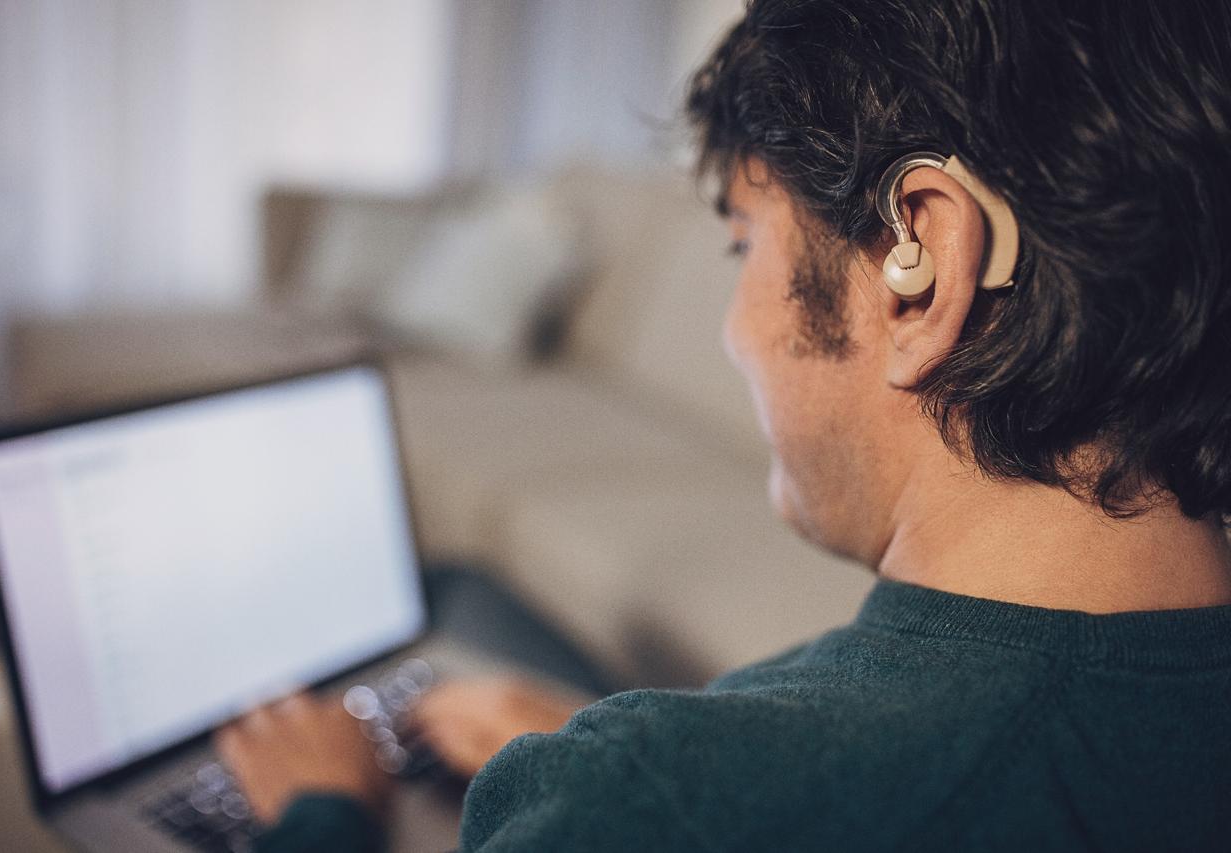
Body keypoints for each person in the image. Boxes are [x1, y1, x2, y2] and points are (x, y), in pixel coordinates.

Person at [217, 0, 1231, 849]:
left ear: (917, 270)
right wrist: (654, 762)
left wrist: (325, 810)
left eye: (745, 242)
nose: (732, 329)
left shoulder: (641, 799)